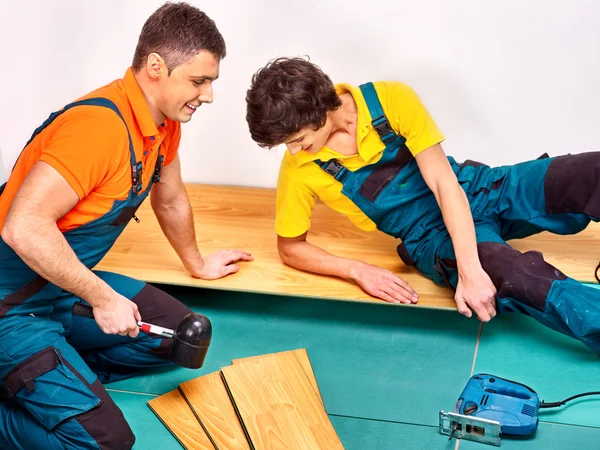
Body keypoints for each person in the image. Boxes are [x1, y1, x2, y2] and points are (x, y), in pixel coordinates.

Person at [0, 3, 252, 449]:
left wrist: (197, 264)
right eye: (198, 81)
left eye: (211, 81)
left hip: (58, 289)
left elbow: (169, 197)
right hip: (10, 307)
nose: (208, 95)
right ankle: (33, 381)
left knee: (180, 337)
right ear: (156, 67)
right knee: (106, 441)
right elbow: (23, 226)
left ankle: (53, 379)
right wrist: (100, 296)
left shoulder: (163, 124)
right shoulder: (97, 129)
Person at [245, 56, 600, 354]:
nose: (293, 151)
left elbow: (444, 184)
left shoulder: (390, 99)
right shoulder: (300, 168)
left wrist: (470, 271)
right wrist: (357, 270)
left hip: (476, 188)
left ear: (320, 110)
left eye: (297, 139)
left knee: (589, 172)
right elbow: (290, 247)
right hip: (430, 236)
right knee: (522, 276)